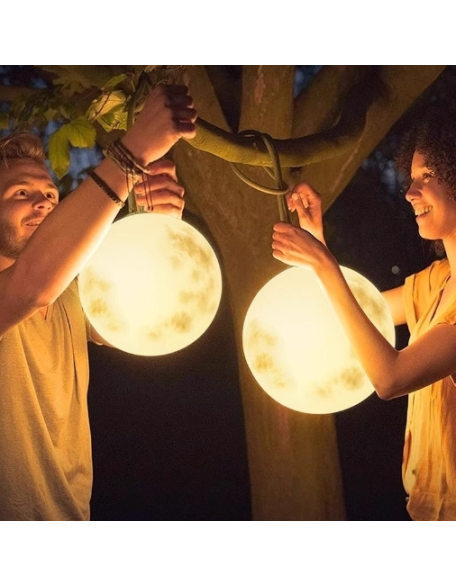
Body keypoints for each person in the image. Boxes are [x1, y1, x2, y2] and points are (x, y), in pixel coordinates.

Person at [0, 84, 197, 520]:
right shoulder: (31, 286)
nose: (43, 204)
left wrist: (158, 230)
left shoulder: (73, 292)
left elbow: (138, 322)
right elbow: (32, 283)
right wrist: (131, 154)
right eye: (20, 194)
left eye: (51, 195)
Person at [272, 102, 456, 521]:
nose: (410, 193)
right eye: (410, 179)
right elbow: (356, 317)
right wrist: (316, 239)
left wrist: (324, 264)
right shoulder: (435, 283)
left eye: (427, 176)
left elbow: (390, 379)